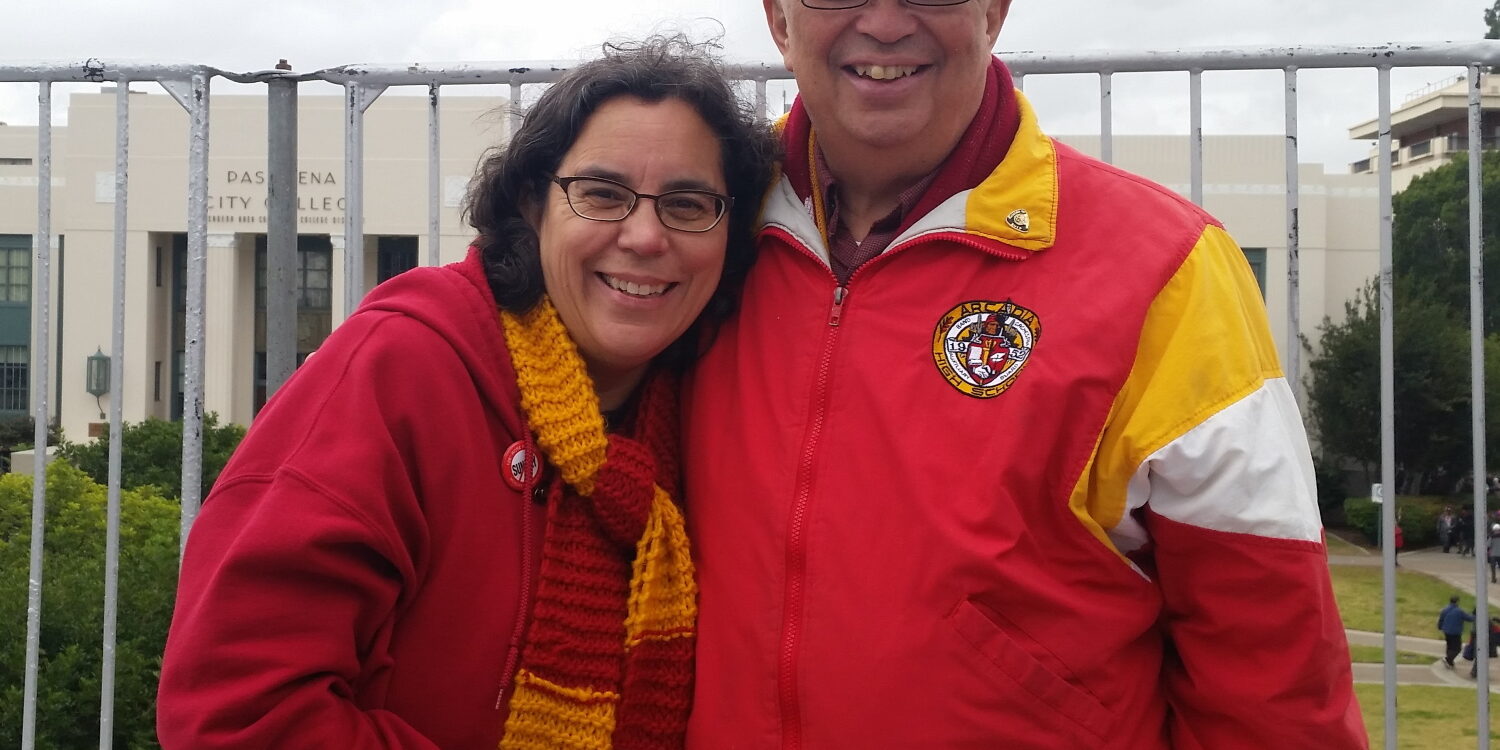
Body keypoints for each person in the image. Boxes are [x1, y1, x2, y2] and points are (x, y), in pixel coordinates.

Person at [681, 0, 1366, 746]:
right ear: (780, 21)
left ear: (993, 13)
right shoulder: (693, 230)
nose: (884, 22)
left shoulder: (1169, 270)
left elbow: (1270, 670)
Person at [155, 36, 777, 749]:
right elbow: (236, 712)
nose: (644, 236)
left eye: (688, 204)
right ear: (533, 205)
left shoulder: (708, 413)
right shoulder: (403, 370)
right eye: (602, 195)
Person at [1438, 595, 1474, 669]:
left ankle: (1450, 662)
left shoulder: (1445, 609)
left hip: (1446, 631)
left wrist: (1440, 627)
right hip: (1455, 632)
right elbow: (1469, 618)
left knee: (1450, 646)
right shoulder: (1459, 611)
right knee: (1457, 648)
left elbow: (1441, 619)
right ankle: (1448, 659)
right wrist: (1475, 615)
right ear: (1457, 602)